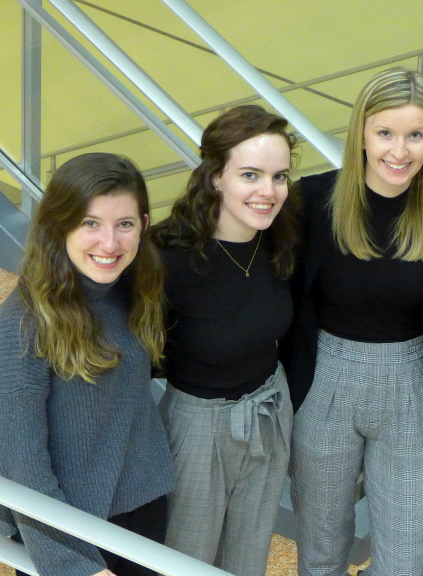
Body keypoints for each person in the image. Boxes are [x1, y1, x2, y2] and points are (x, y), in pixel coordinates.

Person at [282, 67, 423, 576]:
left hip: (411, 387)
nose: (399, 151)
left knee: (405, 560)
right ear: (361, 131)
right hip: (325, 386)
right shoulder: (313, 200)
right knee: (321, 551)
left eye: (416, 135)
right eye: (385, 132)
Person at [0, 152, 173, 576]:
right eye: (91, 223)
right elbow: (20, 464)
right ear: (59, 224)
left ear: (143, 225)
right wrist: (74, 565)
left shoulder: (133, 291)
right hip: (64, 529)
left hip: (140, 512)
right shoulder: (23, 325)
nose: (110, 243)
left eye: (124, 224)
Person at [148, 105, 297, 576]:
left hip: (270, 408)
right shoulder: (165, 257)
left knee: (247, 561)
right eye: (250, 174)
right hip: (198, 426)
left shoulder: (280, 237)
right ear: (215, 177)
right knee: (186, 562)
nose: (267, 192)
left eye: (279, 176)